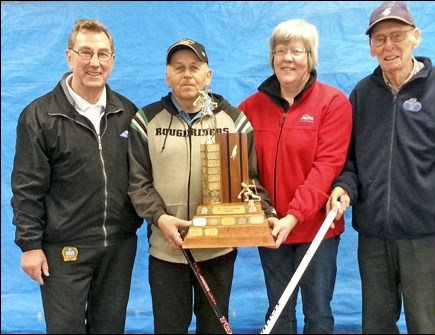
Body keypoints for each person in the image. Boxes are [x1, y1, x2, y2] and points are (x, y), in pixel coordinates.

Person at [327, 1, 435, 333]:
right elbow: (350, 161)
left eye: (396, 35)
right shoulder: (362, 95)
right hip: (374, 239)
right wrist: (344, 188)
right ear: (371, 48)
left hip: (428, 239)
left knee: (426, 326)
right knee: (376, 327)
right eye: (379, 39)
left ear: (416, 37)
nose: (389, 46)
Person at [127, 38, 275, 334]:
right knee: (169, 328)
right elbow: (137, 183)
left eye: (195, 67)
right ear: (167, 75)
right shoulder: (145, 121)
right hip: (168, 251)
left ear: (208, 75)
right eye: (178, 68)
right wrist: (159, 218)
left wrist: (266, 213)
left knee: (214, 329)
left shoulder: (235, 121)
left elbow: (250, 180)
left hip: (218, 252)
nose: (187, 74)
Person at [11, 19, 143, 333]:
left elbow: (141, 177)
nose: (94, 62)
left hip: (118, 248)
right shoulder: (40, 116)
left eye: (102, 54)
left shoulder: (127, 112)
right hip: (63, 250)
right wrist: (30, 245)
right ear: (70, 57)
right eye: (85, 53)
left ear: (113, 60)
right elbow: (27, 186)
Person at [238, 19, 353, 334]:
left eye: (296, 51)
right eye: (280, 51)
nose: (287, 58)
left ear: (311, 58)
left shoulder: (333, 103)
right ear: (272, 58)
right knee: (278, 314)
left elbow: (327, 166)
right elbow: (243, 172)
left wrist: (293, 216)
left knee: (317, 315)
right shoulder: (248, 108)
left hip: (316, 228)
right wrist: (268, 216)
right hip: (270, 228)